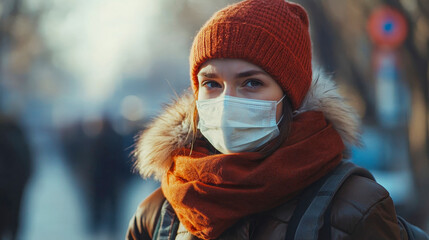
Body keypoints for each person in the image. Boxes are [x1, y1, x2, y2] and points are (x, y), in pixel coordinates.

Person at [126, 0, 421, 239]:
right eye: (211, 84)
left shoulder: (353, 208)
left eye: (252, 83)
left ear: (290, 96)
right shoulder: (160, 213)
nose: (227, 101)